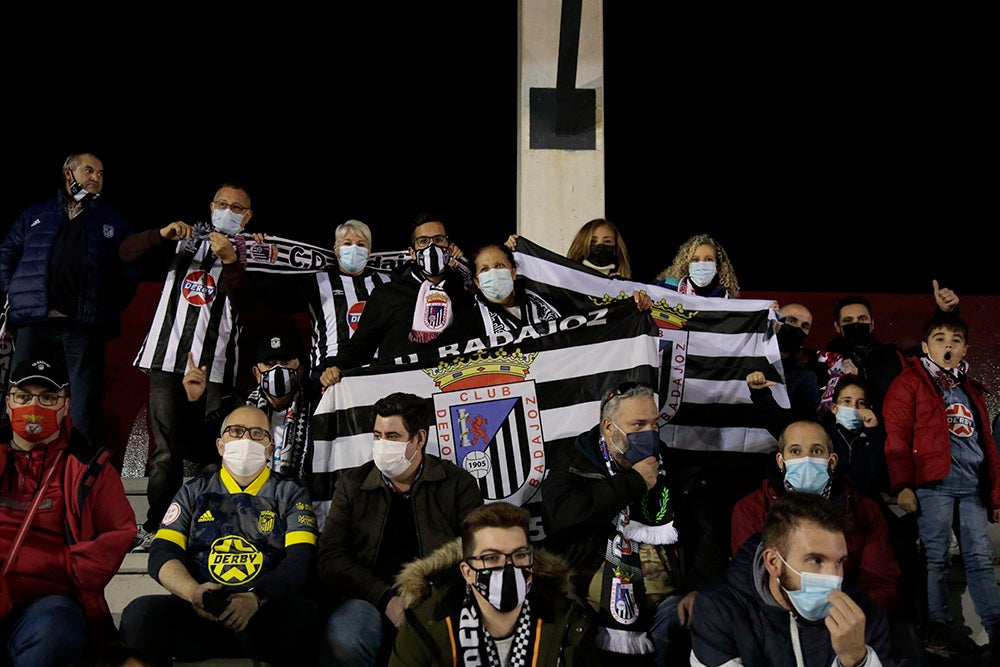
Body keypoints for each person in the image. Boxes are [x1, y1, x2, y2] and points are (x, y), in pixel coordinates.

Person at [540, 381, 728, 665]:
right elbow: (562, 521)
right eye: (638, 425)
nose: (649, 434)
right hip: (592, 603)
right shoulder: (573, 464)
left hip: (670, 602)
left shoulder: (677, 467)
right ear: (608, 427)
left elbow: (707, 535)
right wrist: (634, 483)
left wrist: (699, 588)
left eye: (654, 425)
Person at [118, 405, 321, 666]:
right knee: (140, 614)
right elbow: (162, 552)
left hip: (264, 612)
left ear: (271, 449)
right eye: (236, 431)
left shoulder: (290, 492)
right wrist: (193, 592)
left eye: (258, 434)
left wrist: (255, 597)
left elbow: (300, 559)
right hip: (200, 609)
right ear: (220, 445)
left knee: (305, 614)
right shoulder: (194, 490)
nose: (246, 440)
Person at [120, 181, 255, 551]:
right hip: (166, 360)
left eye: (237, 207)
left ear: (249, 216)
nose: (228, 210)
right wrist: (158, 235)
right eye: (222, 204)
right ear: (211, 206)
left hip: (217, 368)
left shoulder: (254, 250)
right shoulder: (185, 240)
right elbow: (127, 253)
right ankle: (156, 527)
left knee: (215, 454)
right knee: (165, 453)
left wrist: (230, 260)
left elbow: (249, 304)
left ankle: (211, 527)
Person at [317, 391, 484, 665]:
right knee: (345, 638)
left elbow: (476, 550)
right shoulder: (352, 484)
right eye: (377, 435)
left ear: (419, 438)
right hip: (368, 600)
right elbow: (331, 559)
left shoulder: (457, 483)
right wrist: (385, 599)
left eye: (392, 436)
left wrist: (430, 598)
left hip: (438, 597)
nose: (382, 444)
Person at [0, 152, 146, 447]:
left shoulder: (112, 219)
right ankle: (15, 467)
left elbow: (131, 268)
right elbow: (6, 253)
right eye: (89, 170)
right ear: (69, 174)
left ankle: (81, 473)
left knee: (82, 403)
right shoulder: (35, 214)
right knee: (24, 396)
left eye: (101, 173)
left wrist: (109, 303)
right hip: (34, 321)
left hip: (82, 327)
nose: (96, 177)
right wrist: (14, 293)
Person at [0, 353, 135, 666]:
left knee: (58, 626)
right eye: (23, 396)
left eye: (48, 398)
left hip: (47, 606)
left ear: (65, 405)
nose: (34, 407)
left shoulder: (90, 465)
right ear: (9, 402)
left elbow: (120, 532)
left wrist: (55, 563)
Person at [883, 312, 1000, 658]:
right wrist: (903, 484)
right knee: (935, 558)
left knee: (979, 558)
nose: (948, 345)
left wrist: (993, 492)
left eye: (956, 340)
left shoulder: (972, 390)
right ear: (925, 346)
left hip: (972, 487)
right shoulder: (910, 382)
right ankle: (939, 629)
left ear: (965, 349)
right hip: (934, 486)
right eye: (940, 339)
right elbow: (898, 437)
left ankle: (996, 629)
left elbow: (987, 445)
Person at [691, 491, 896, 666]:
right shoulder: (717, 611)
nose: (833, 577)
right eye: (815, 560)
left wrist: (856, 659)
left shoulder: (862, 616)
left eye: (839, 561)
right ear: (774, 563)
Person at [389, 501, 600, 666]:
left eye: (519, 555)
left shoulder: (567, 621)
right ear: (468, 572)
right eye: (491, 558)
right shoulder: (425, 627)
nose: (509, 567)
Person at [730, 420, 902, 620]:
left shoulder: (864, 510)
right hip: (776, 625)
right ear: (780, 461)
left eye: (817, 451)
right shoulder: (752, 509)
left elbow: (880, 582)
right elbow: (752, 581)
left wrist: (852, 621)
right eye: (795, 451)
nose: (806, 459)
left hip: (848, 620)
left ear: (832, 461)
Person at [317, 212, 475, 389]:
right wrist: (337, 368)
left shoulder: (464, 295)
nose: (432, 247)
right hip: (402, 393)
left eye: (439, 240)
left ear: (450, 247)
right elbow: (361, 345)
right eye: (423, 241)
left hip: (451, 387)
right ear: (412, 252)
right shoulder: (387, 294)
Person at [181, 325, 317, 491]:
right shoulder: (235, 408)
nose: (277, 370)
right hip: (245, 501)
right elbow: (195, 451)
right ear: (257, 374)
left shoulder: (316, 409)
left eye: (285, 363)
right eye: (270, 364)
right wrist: (193, 401)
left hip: (295, 499)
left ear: (300, 371)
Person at [306, 219, 393, 379]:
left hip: (379, 365)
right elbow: (277, 295)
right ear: (336, 249)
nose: (354, 249)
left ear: (369, 253)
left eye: (361, 245)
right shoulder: (317, 281)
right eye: (347, 243)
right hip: (329, 370)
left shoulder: (386, 281)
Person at [746, 302, 822, 438]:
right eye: (792, 320)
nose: (798, 328)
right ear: (775, 322)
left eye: (805, 326)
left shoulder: (805, 378)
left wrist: (761, 395)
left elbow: (796, 430)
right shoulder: (743, 362)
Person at [826, 375, 888, 501]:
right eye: (847, 401)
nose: (854, 408)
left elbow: (879, 477)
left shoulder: (874, 437)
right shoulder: (825, 438)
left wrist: (874, 432)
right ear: (834, 408)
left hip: (867, 504)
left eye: (861, 403)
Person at [654, 233, 740, 298]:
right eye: (695, 260)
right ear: (687, 266)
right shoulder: (667, 289)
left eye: (709, 259)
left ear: (717, 266)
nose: (702, 264)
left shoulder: (725, 296)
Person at [564, 217, 632, 278]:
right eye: (592, 241)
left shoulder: (624, 287)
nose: (600, 246)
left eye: (607, 241)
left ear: (615, 249)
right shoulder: (568, 282)